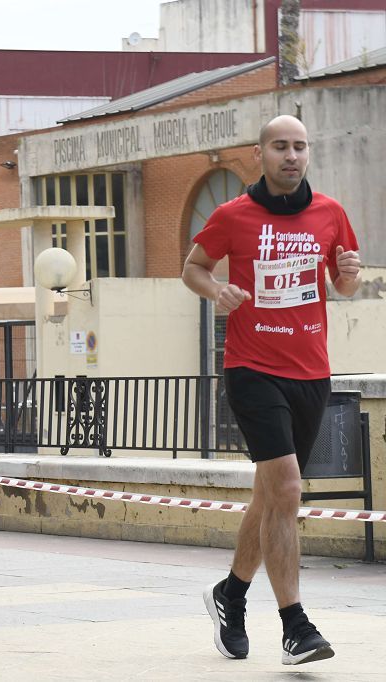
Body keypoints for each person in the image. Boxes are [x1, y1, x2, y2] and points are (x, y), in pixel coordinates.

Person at [182, 115, 361, 666]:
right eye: (280, 146)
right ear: (259, 154)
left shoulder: (330, 213)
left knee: (270, 497)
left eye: (300, 147)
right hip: (252, 368)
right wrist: (217, 290)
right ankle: (296, 627)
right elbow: (193, 267)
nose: (291, 155)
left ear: (309, 155)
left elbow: (343, 283)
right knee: (285, 487)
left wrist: (350, 273)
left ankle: (229, 596)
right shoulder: (232, 215)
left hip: (311, 372)